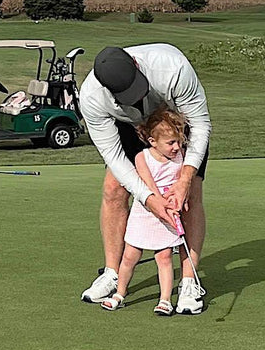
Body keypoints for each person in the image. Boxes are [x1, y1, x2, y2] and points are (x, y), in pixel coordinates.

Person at [79, 43, 210, 314]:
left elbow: (200, 124)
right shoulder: (92, 98)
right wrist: (149, 198)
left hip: (172, 123)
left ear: (138, 67)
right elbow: (115, 157)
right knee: (113, 189)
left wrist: (184, 178)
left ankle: (189, 282)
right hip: (126, 124)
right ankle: (112, 273)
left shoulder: (172, 68)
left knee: (190, 194)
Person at [101, 107, 202, 315]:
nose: (177, 147)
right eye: (171, 143)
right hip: (145, 212)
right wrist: (160, 203)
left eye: (178, 141)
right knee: (129, 256)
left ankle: (165, 299)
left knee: (164, 257)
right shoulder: (142, 157)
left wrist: (175, 202)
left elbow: (181, 183)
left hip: (167, 215)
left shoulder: (180, 157)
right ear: (152, 141)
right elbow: (148, 187)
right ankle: (120, 293)